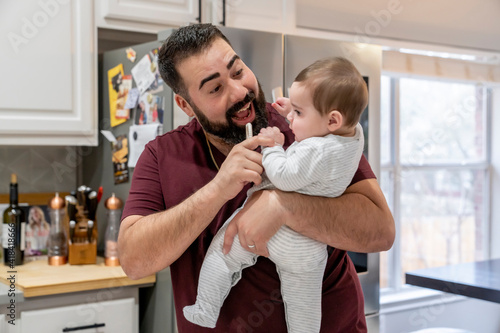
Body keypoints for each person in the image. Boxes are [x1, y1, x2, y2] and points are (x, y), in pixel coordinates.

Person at [118, 23, 394, 333]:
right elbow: (134, 261)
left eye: (237, 72)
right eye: (215, 88)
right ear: (185, 105)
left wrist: (283, 208)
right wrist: (218, 189)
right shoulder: (162, 156)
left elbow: (380, 232)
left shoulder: (305, 123)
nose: (239, 92)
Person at [183, 57, 367, 333]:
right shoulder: (351, 139)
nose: (291, 119)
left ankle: (205, 309)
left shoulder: (314, 150)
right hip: (310, 249)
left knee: (222, 254)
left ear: (332, 119)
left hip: (281, 235)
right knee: (302, 303)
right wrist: (296, 108)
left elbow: (285, 175)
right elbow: (321, 124)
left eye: (299, 114)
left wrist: (273, 145)